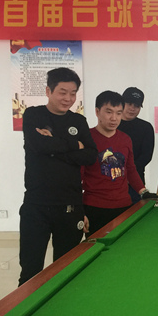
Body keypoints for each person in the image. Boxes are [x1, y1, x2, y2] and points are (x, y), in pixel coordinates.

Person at [19, 67, 97, 286]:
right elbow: (38, 145)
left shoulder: (78, 121)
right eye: (63, 92)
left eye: (73, 93)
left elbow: (90, 156)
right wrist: (75, 145)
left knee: (65, 269)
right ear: (48, 91)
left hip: (70, 206)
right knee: (31, 270)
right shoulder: (33, 115)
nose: (68, 98)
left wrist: (53, 145)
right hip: (37, 205)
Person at [83, 91, 158, 238]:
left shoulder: (125, 139)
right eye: (109, 112)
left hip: (123, 205)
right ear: (97, 112)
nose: (114, 118)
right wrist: (79, 209)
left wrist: (143, 192)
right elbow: (77, 176)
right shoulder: (87, 138)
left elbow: (130, 169)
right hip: (95, 207)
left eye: (118, 113)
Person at [119, 87, 155, 203]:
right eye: (129, 104)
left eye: (137, 106)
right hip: (112, 182)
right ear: (122, 103)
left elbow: (146, 156)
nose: (132, 108)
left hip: (136, 183)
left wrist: (129, 175)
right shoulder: (112, 124)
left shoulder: (146, 127)